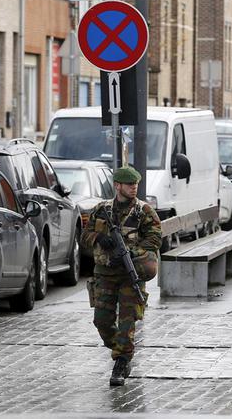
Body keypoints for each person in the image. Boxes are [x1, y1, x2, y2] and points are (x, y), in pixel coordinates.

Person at [80, 166, 162, 387]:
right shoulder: (101, 209)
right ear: (117, 186)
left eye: (136, 184)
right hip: (104, 273)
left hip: (129, 273)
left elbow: (154, 240)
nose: (134, 187)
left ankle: (122, 362)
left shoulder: (144, 211)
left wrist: (130, 253)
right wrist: (99, 238)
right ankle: (122, 348)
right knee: (102, 321)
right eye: (129, 184)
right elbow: (84, 236)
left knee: (127, 320)